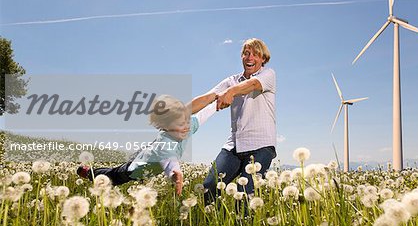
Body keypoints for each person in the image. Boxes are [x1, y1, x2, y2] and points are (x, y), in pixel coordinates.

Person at [77, 93, 216, 195]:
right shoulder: (165, 143)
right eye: (180, 124)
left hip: (148, 154)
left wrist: (218, 101)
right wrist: (175, 173)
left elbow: (202, 115)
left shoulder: (188, 126)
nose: (186, 127)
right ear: (164, 127)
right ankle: (89, 172)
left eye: (185, 120)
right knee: (113, 176)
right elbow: (170, 162)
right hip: (135, 169)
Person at [202, 38, 276, 201]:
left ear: (263, 59)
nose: (250, 57)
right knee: (209, 187)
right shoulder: (231, 81)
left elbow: (253, 85)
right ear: (242, 57)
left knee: (245, 197)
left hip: (261, 146)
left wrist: (231, 92)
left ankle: (241, 225)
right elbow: (207, 98)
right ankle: (217, 224)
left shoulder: (268, 74)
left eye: (256, 54)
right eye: (246, 53)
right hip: (234, 145)